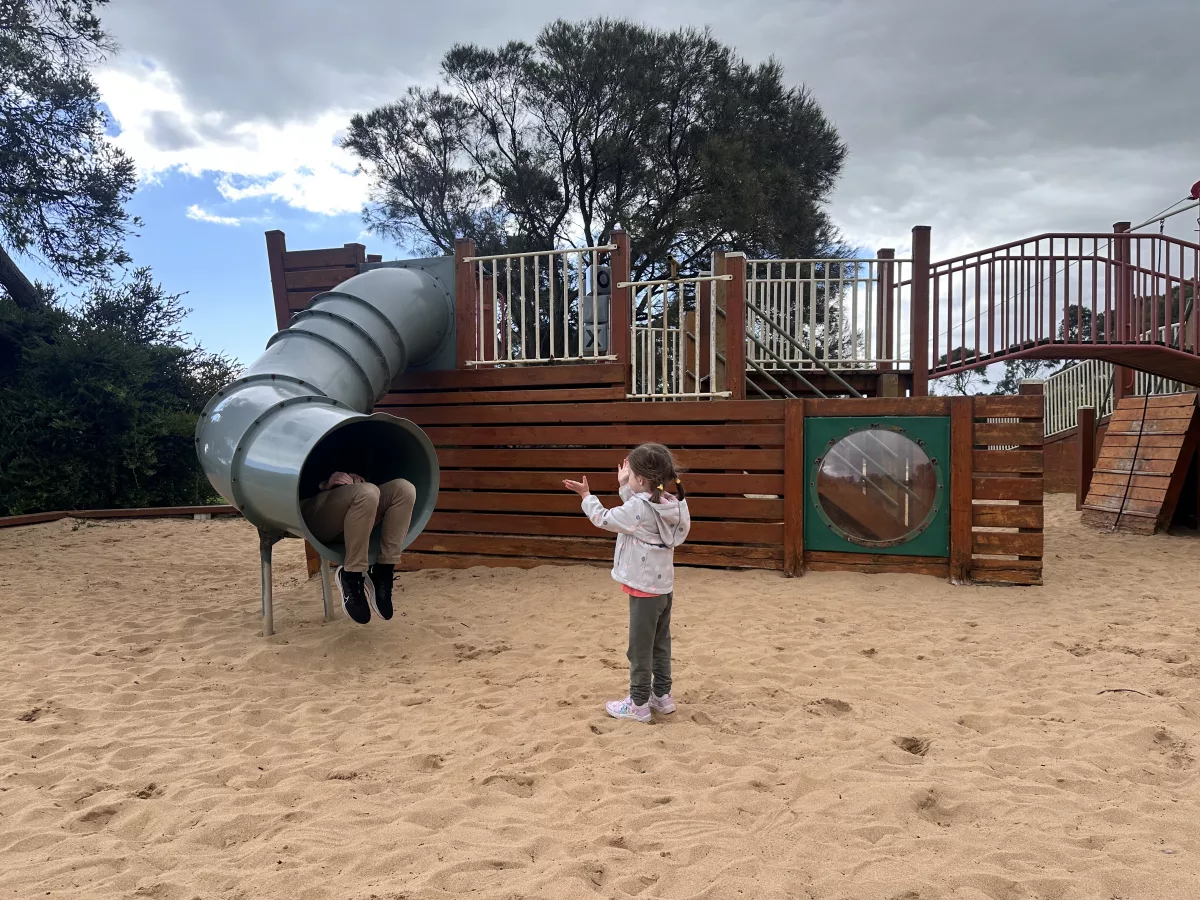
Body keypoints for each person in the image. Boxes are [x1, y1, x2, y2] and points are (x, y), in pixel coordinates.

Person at [564, 443, 690, 724]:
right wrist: (625, 486)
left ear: (641, 480)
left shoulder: (640, 507)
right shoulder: (670, 503)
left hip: (643, 589)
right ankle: (662, 695)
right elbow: (637, 513)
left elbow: (606, 518)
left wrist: (586, 496)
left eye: (630, 475)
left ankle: (638, 703)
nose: (628, 478)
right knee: (660, 643)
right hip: (663, 588)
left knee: (639, 648)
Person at [301, 472, 416, 625]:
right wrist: (324, 483)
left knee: (404, 489)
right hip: (311, 507)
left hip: (355, 508)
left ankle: (383, 571)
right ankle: (352, 575)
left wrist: (359, 477)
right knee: (366, 492)